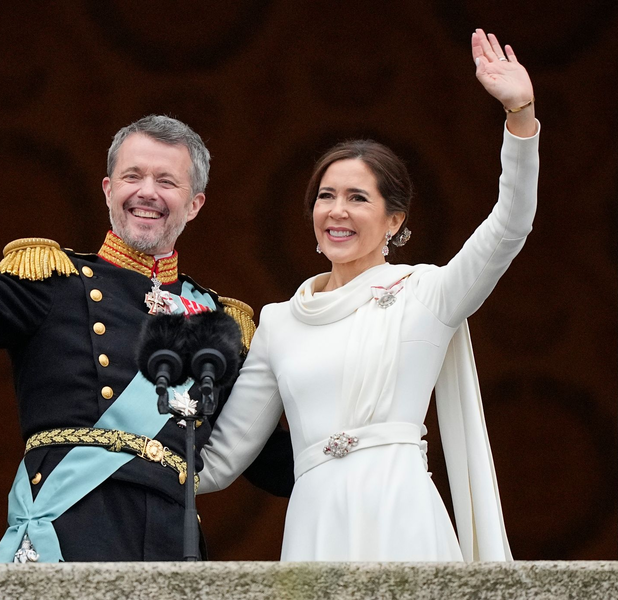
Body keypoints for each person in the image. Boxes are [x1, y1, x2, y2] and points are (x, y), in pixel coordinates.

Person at [0, 112, 294, 562]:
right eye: (133, 176)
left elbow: (265, 455)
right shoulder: (54, 281)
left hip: (172, 546)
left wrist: (350, 448)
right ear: (109, 190)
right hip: (70, 533)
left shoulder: (217, 324)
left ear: (194, 204)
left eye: (166, 181)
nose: (147, 192)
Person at [198, 29, 539, 561]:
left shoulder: (427, 293)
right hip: (315, 526)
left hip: (402, 514)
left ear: (393, 220)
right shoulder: (280, 322)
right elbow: (219, 461)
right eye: (326, 196)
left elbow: (510, 225)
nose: (337, 210)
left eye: (358, 198)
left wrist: (520, 116)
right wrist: (116, 454)